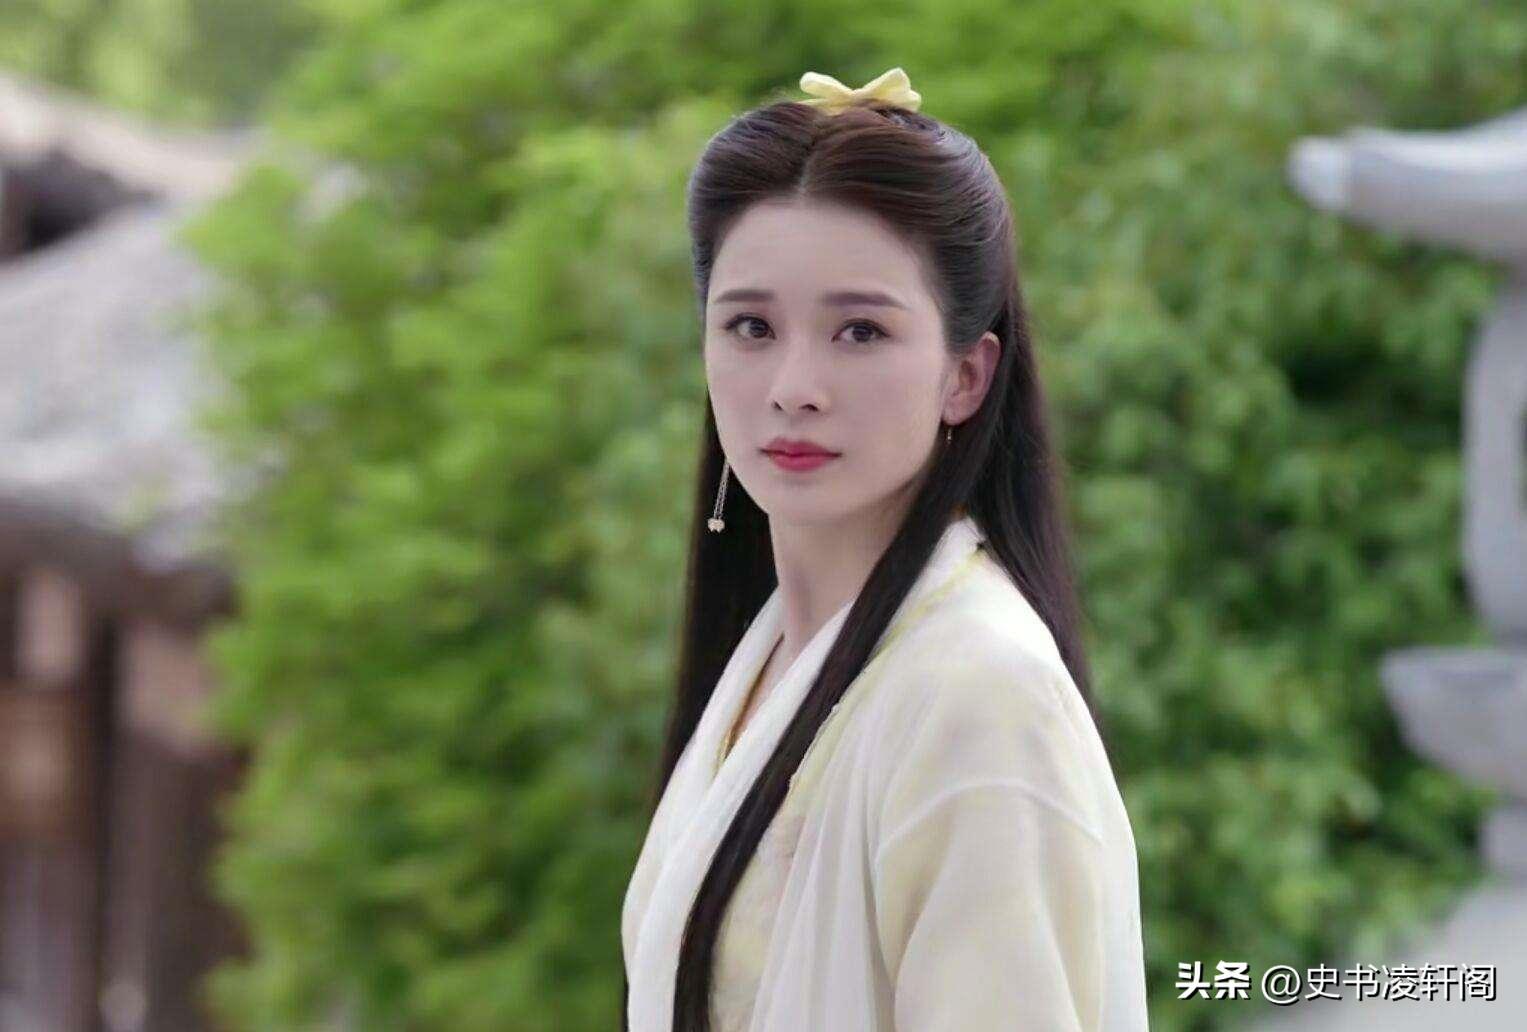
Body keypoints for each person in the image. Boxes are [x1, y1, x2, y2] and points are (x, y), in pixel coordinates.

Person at [621, 67, 1149, 1032]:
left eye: (859, 331)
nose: (793, 385)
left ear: (965, 375)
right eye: (750, 326)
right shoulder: (770, 659)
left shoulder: (979, 692)